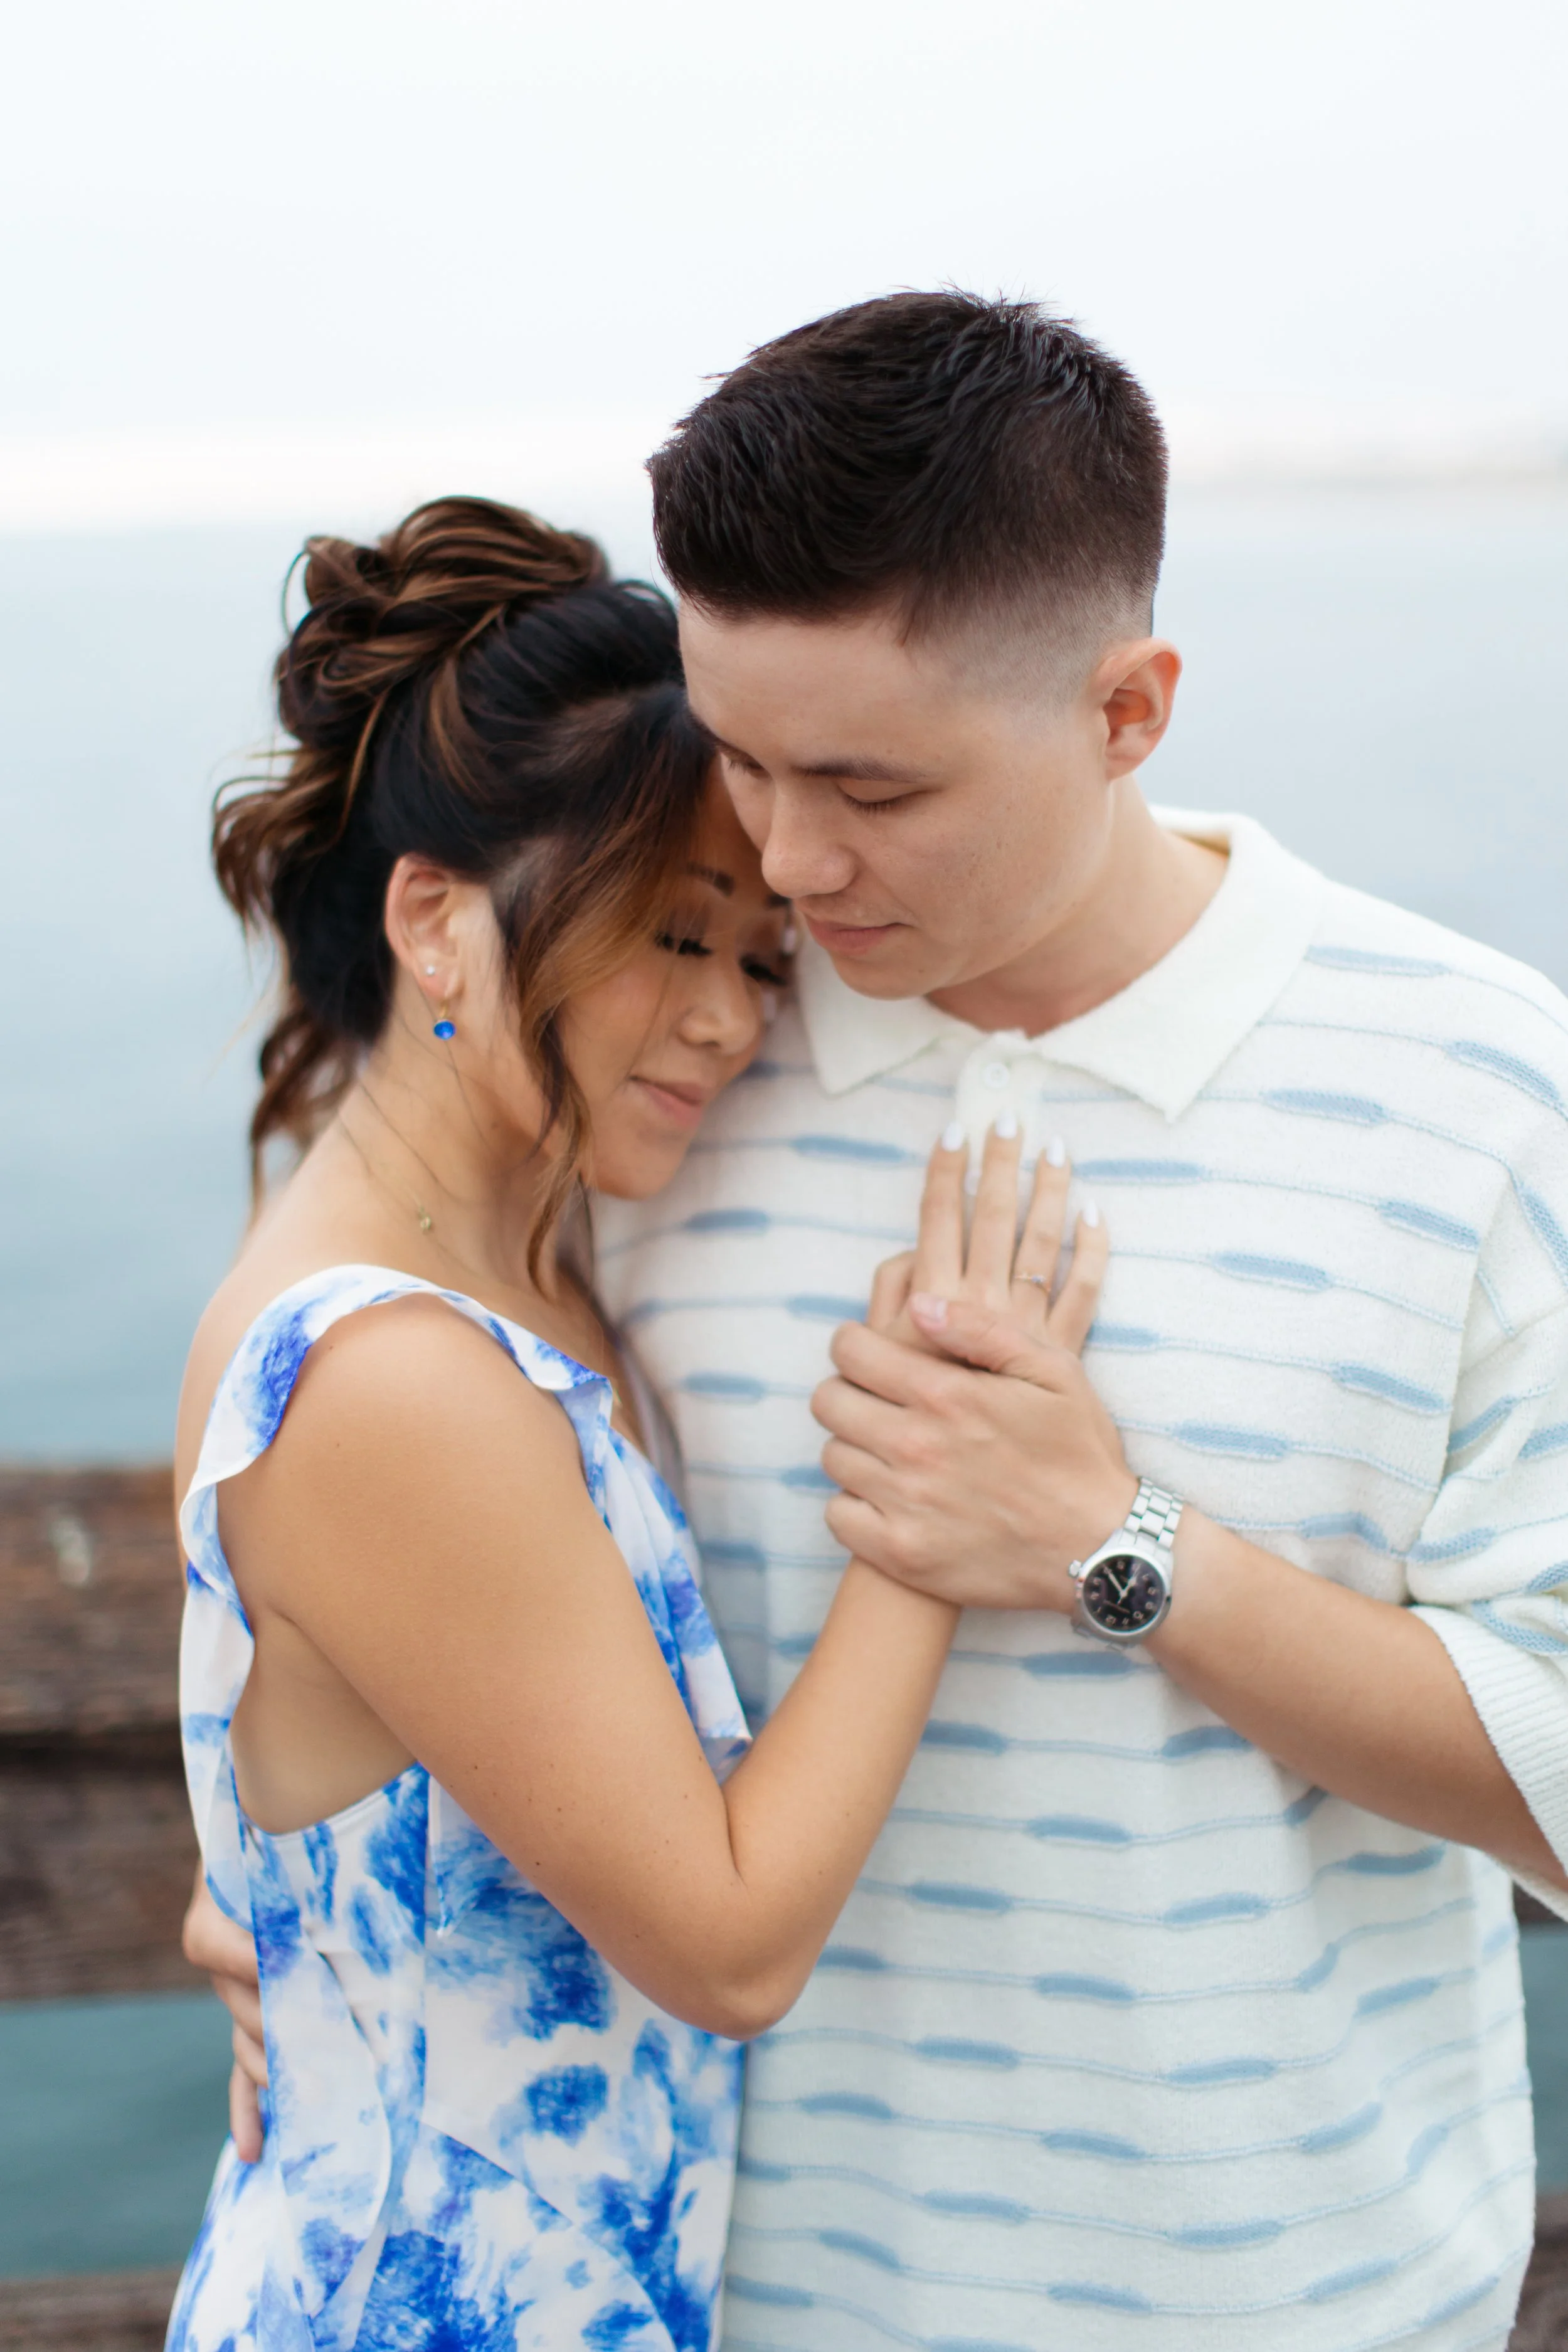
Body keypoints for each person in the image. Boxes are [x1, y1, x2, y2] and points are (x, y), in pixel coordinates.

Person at [191, 297, 1568, 2348]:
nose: (789, 862)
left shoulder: (1475, 1089)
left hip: (1302, 2304)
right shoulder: (670, 1063)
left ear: (1125, 712)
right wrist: (286, 1912)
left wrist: (1114, 1550)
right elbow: (364, 1468)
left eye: (867, 785)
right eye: (738, 761)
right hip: (745, 2308)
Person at [164, 490, 1106, 2352]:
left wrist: (272, 1911)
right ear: (435, 922)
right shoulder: (387, 1372)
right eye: (675, 938)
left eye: (758, 958)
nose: (732, 1021)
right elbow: (727, 1941)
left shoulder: (511, 1251)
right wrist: (940, 1484)